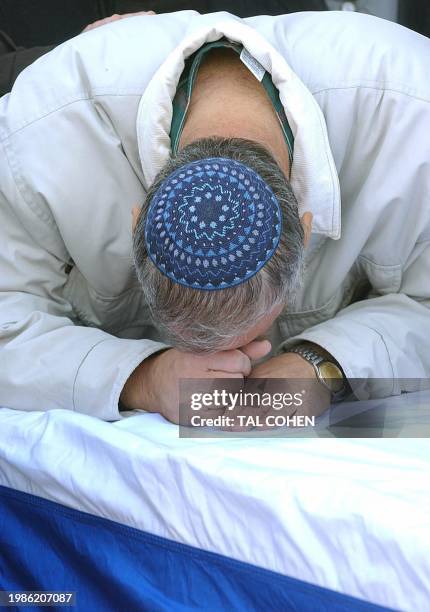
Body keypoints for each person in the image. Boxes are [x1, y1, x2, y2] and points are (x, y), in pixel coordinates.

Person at [0, 10, 429, 423]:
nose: (234, 369)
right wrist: (141, 377)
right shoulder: (33, 136)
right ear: (136, 226)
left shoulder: (414, 115)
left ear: (306, 225)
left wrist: (326, 365)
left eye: (245, 342)